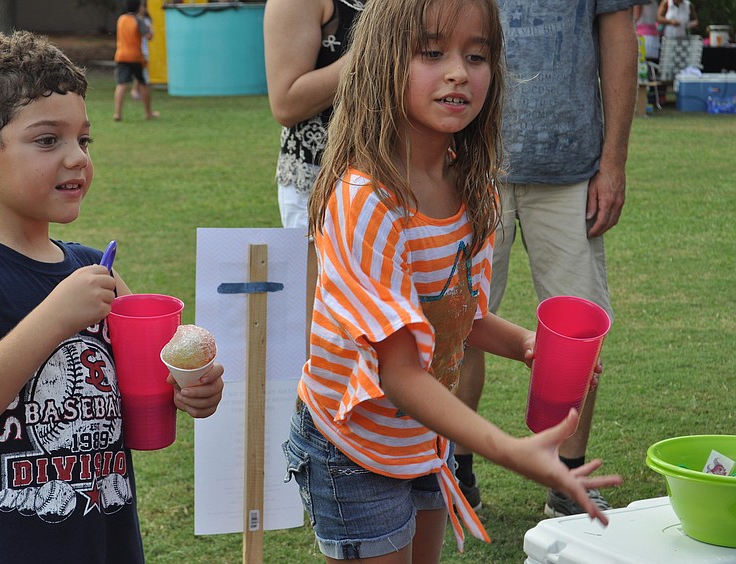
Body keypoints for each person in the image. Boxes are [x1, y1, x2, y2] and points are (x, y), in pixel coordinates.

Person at [282, 0, 622, 561]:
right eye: (433, 53)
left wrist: (526, 344)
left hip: (424, 435)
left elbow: (459, 313)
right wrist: (509, 450)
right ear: (383, 61)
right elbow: (398, 372)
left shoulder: (474, 187)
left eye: (477, 56)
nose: (459, 72)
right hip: (353, 449)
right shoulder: (366, 200)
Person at [0, 31, 224, 562]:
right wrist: (53, 318)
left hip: (105, 544)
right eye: (47, 140)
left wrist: (189, 388)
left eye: (84, 139)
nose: (77, 157)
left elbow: (148, 386)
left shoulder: (92, 270)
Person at [453, 0, 640, 519]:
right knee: (457, 323)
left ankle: (567, 477)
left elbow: (618, 36)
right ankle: (453, 473)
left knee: (579, 334)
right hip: (469, 160)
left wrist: (614, 161)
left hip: (571, 167)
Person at [264, 0, 366, 350]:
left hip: (396, 177)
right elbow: (286, 103)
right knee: (323, 337)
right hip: (319, 182)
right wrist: (374, 47)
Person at [113, 0, 158, 121]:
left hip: (120, 55)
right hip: (135, 56)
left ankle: (117, 113)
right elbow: (148, 36)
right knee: (143, 83)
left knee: (121, 84)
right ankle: (148, 113)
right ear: (138, 7)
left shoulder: (121, 19)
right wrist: (149, 28)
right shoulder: (138, 20)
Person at [129, 2, 152, 101]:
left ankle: (137, 91)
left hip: (144, 50)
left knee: (141, 73)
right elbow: (148, 35)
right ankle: (136, 91)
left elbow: (149, 35)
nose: (143, 9)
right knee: (141, 74)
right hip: (138, 51)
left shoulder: (146, 20)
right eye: (142, 7)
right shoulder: (135, 20)